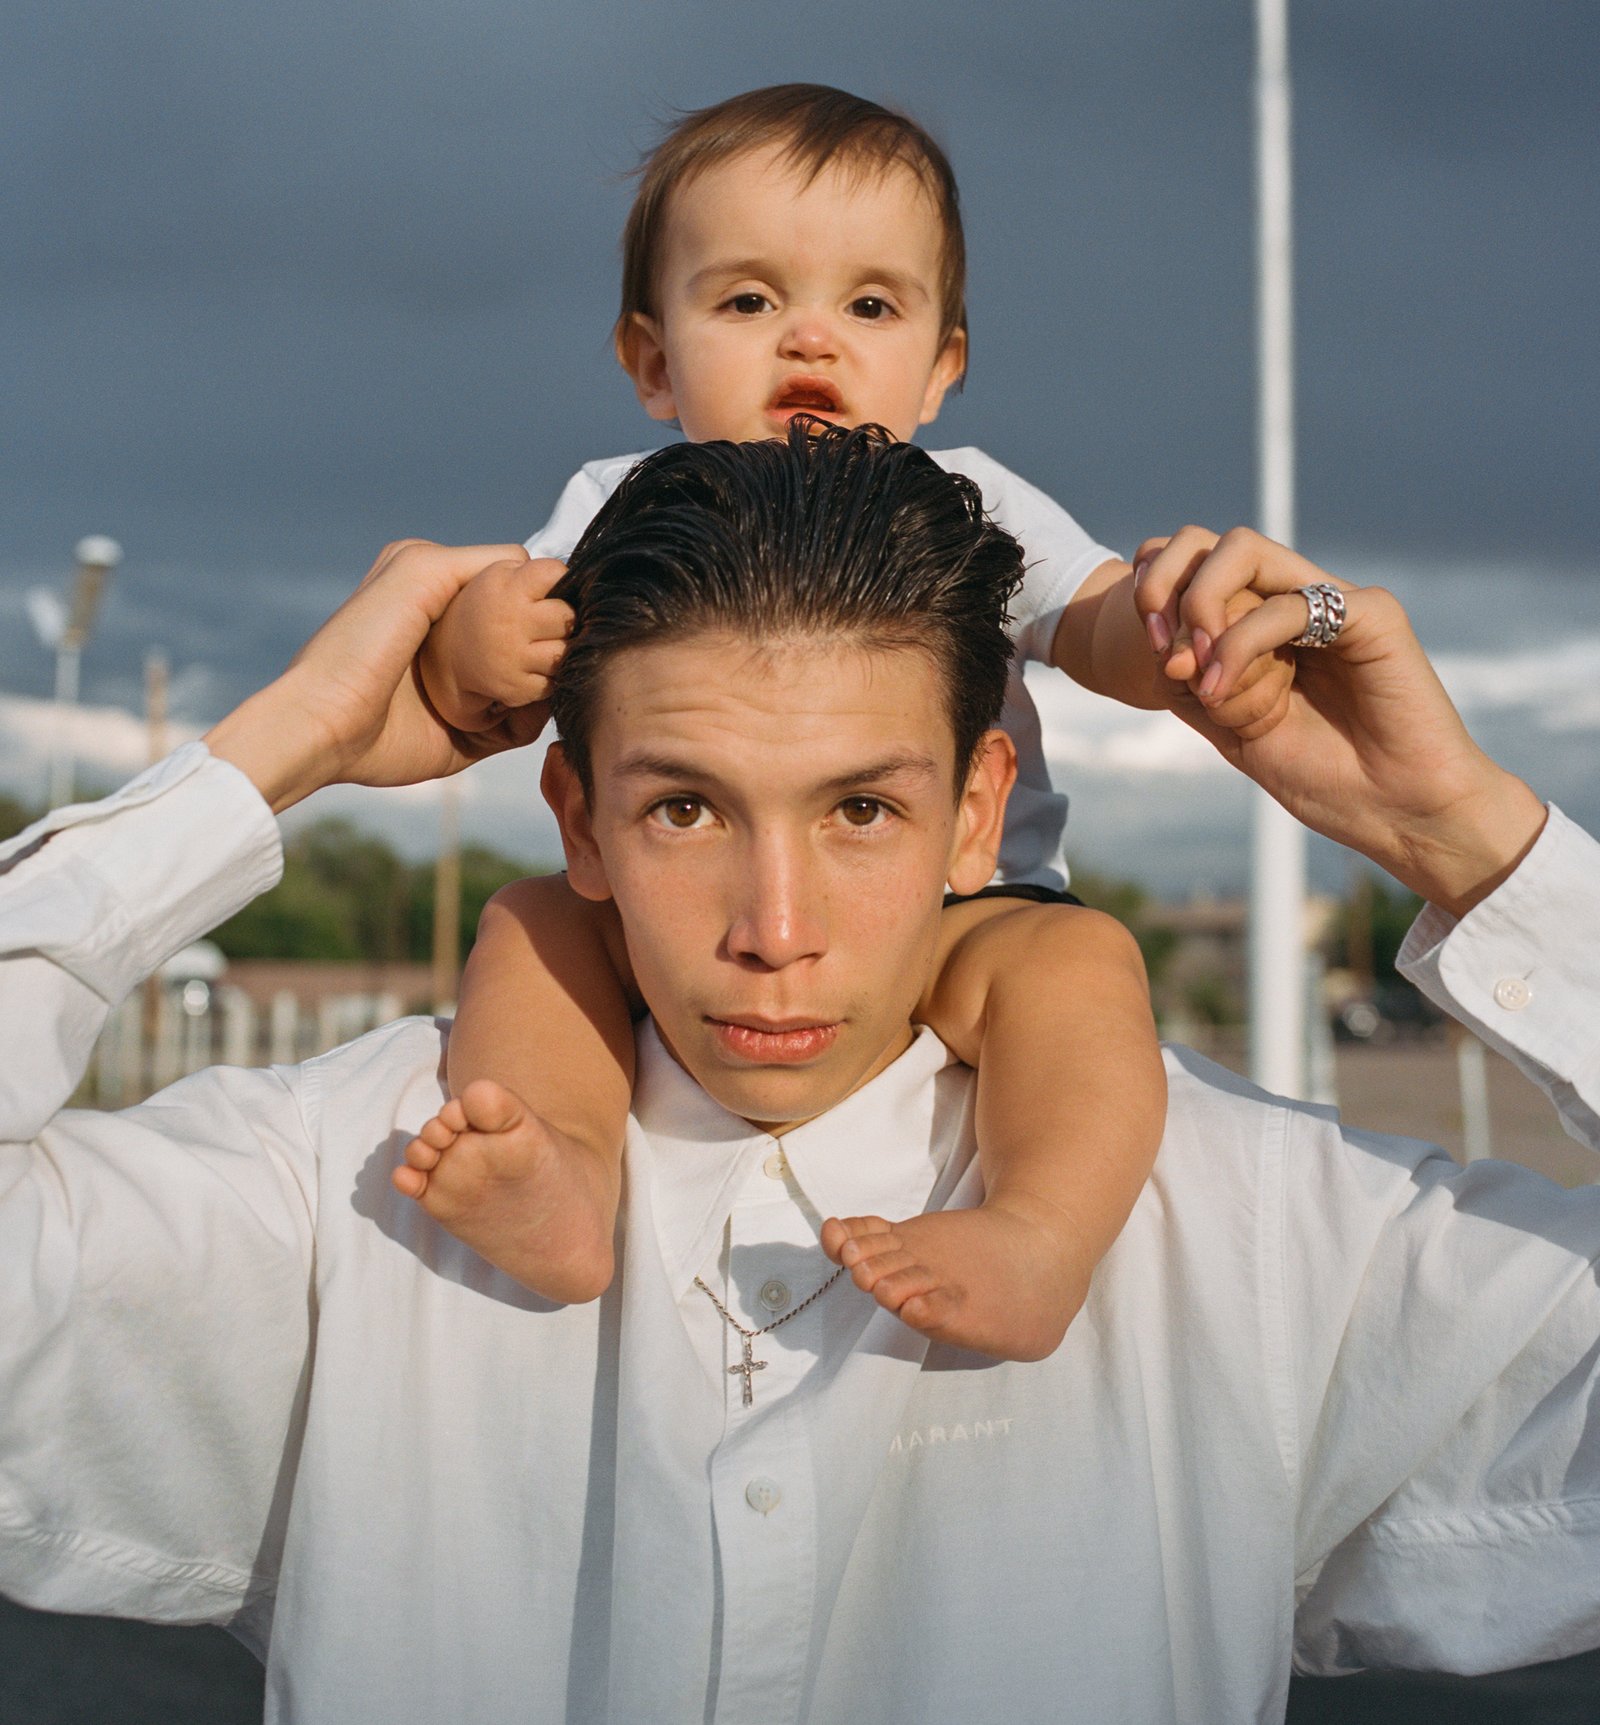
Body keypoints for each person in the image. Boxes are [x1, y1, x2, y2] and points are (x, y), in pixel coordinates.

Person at [2, 428, 1597, 1725]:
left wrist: (1461, 837)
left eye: (860, 812)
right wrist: (276, 747)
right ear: (578, 822)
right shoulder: (356, 1187)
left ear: (981, 814)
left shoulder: (1249, 1227)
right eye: (686, 809)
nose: (775, 931)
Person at [402, 83, 1291, 1362]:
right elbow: (503, 658)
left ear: (942, 367)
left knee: (1080, 968)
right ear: (651, 361)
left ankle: (1039, 1235)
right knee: (535, 926)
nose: (809, 338)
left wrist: (1176, 638)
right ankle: (565, 1169)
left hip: (971, 906)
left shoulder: (972, 500)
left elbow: (1088, 619)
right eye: (747, 302)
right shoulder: (618, 504)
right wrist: (472, 644)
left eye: (870, 306)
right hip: (669, 918)